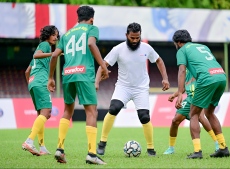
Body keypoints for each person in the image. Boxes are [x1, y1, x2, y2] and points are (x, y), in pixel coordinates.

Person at [95, 22, 170, 156]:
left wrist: (165, 78)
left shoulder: (147, 48)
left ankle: (151, 148)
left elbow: (159, 61)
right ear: (126, 35)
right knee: (113, 109)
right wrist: (97, 82)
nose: (135, 40)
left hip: (141, 88)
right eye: (132, 38)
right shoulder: (118, 49)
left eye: (137, 37)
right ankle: (102, 143)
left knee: (144, 117)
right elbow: (103, 64)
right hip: (123, 87)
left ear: (140, 35)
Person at [47, 6, 109, 165]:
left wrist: (50, 78)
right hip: (84, 73)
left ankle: (59, 149)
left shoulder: (67, 34)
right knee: (91, 111)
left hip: (67, 74)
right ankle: (92, 154)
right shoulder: (92, 28)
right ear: (92, 18)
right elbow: (91, 44)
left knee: (67, 110)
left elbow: (54, 55)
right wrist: (103, 66)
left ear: (77, 18)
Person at [173, 30, 230, 159]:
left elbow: (182, 70)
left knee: (194, 114)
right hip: (221, 76)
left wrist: (180, 94)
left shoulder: (182, 50)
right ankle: (223, 148)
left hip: (207, 78)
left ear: (179, 43)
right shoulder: (203, 47)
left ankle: (197, 151)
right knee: (209, 113)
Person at [22, 25, 60, 156]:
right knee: (47, 112)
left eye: (57, 35)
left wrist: (31, 84)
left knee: (41, 114)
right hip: (40, 81)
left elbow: (27, 71)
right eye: (54, 34)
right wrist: (54, 53)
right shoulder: (45, 45)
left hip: (33, 83)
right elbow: (36, 55)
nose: (56, 37)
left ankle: (42, 147)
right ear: (48, 35)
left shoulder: (42, 47)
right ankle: (29, 141)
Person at [163, 69, 219, 155]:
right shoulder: (184, 70)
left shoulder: (196, 66)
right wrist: (174, 95)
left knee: (201, 117)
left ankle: (217, 143)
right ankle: (171, 148)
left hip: (199, 97)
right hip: (189, 99)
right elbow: (184, 88)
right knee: (175, 121)